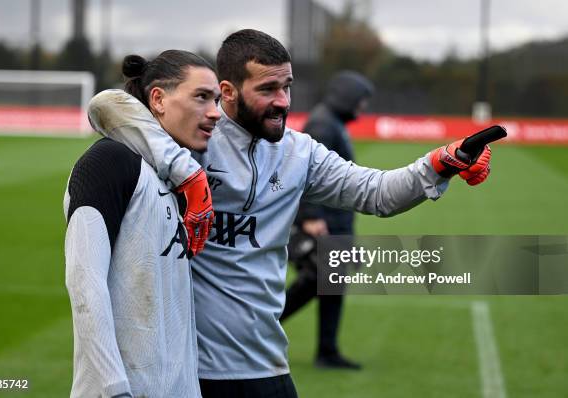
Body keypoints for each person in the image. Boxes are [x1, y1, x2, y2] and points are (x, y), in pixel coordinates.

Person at [88, 29, 493, 398]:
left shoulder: (300, 152)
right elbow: (107, 106)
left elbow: (377, 193)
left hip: (266, 365)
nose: (282, 101)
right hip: (191, 373)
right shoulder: (188, 137)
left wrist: (442, 162)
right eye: (267, 89)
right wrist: (187, 173)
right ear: (226, 91)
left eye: (287, 86)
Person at [64, 50, 220, 398]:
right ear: (158, 99)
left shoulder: (176, 175)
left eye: (217, 100)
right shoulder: (108, 161)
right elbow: (84, 285)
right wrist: (116, 389)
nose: (215, 112)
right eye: (202, 97)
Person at [280, 71, 374, 370]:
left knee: (332, 284)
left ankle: (327, 351)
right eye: (360, 101)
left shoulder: (332, 122)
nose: (363, 108)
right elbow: (305, 171)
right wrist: (311, 215)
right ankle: (260, 327)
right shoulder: (323, 123)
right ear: (346, 97)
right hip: (326, 221)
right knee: (316, 279)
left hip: (337, 221)